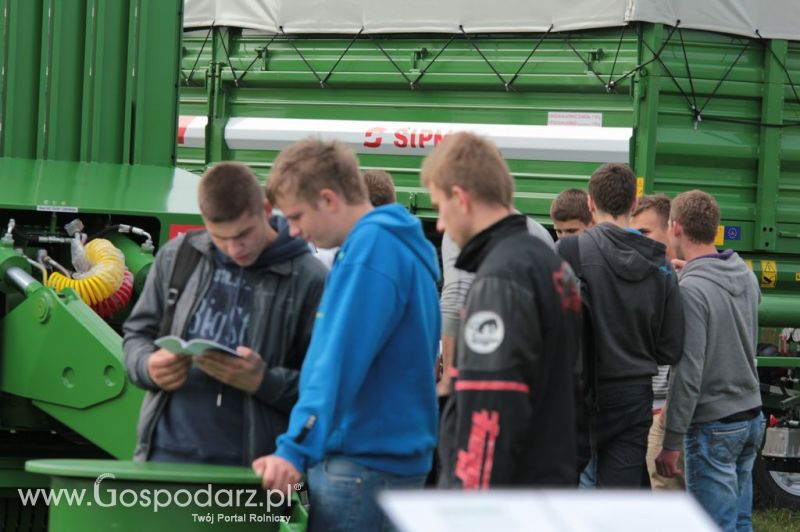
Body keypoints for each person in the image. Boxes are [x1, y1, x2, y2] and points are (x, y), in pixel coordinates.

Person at [253, 139, 440, 532]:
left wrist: (293, 449)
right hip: (390, 460)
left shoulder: (369, 252)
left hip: (359, 465)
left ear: (328, 198)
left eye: (298, 216)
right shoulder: (400, 244)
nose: (297, 232)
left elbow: (336, 360)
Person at [123, 162, 327, 466]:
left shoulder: (310, 278)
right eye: (220, 237)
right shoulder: (178, 255)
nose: (234, 249)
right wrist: (148, 365)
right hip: (163, 458)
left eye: (244, 233)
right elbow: (137, 335)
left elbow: (326, 386)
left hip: (254, 469)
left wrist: (263, 381)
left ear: (266, 209)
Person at [423, 132, 580, 488]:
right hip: (546, 477)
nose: (441, 226)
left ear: (461, 198)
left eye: (439, 209)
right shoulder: (553, 265)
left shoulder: (499, 279)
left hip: (504, 497)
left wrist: (471, 507)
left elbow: (490, 409)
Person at [559, 163, 684, 488]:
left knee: (561, 490)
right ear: (633, 205)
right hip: (634, 392)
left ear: (589, 204)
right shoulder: (662, 265)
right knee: (620, 500)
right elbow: (671, 346)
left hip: (578, 389)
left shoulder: (570, 250)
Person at [656, 190, 764, 532]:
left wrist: (670, 442)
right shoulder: (743, 274)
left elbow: (688, 373)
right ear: (715, 230)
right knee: (739, 522)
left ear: (675, 227)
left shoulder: (692, 290)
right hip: (751, 417)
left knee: (711, 525)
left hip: (713, 424)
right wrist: (696, 272)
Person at [631, 194, 685, 490]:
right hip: (641, 411)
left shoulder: (685, 280)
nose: (636, 241)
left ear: (671, 229)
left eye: (645, 233)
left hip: (665, 412)